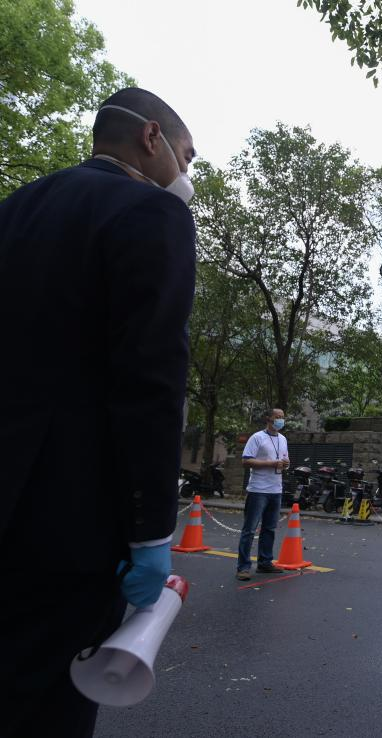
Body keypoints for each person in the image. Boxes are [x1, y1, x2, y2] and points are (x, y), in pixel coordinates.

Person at [0, 88, 196, 736]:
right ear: (150, 137)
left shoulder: (15, 209)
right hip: (67, 526)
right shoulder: (153, 213)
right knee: (46, 706)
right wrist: (150, 535)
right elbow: (151, 382)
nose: (186, 172)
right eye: (186, 155)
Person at [236, 409, 290, 580]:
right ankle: (243, 567)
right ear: (268, 418)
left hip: (276, 489)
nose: (280, 420)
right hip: (258, 490)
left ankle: (265, 563)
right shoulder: (257, 437)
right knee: (249, 530)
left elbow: (284, 460)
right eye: (277, 417)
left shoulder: (283, 439)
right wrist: (271, 463)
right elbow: (246, 460)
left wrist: (286, 463)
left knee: (270, 528)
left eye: (282, 417)